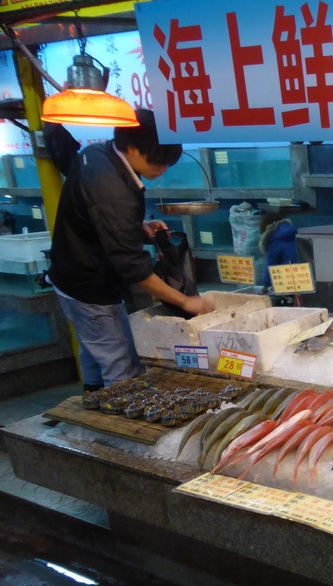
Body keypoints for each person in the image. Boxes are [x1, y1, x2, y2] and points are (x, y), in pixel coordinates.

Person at [47, 108, 214, 390]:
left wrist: (137, 228)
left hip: (70, 278)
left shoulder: (98, 153)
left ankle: (92, 407)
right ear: (133, 148)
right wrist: (185, 301)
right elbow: (132, 267)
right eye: (160, 161)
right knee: (121, 363)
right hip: (90, 288)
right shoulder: (111, 187)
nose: (163, 170)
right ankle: (117, 426)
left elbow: (97, 219)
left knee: (95, 351)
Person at [258, 211, 299, 294]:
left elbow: (271, 267)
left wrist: (265, 286)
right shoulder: (294, 233)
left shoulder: (274, 241)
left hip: (289, 280)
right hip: (304, 277)